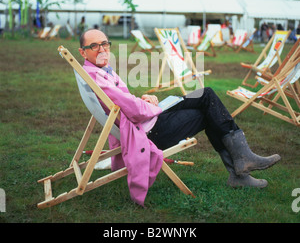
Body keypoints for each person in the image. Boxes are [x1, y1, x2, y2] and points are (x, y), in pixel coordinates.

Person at [78, 29, 281, 198]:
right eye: (94, 46)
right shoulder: (97, 78)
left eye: (105, 44)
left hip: (146, 121)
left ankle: (241, 164)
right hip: (150, 131)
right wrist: (152, 106)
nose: (102, 49)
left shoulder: (98, 71)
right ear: (83, 52)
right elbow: (132, 109)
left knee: (205, 95)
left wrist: (143, 100)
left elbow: (125, 103)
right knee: (207, 108)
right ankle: (240, 169)